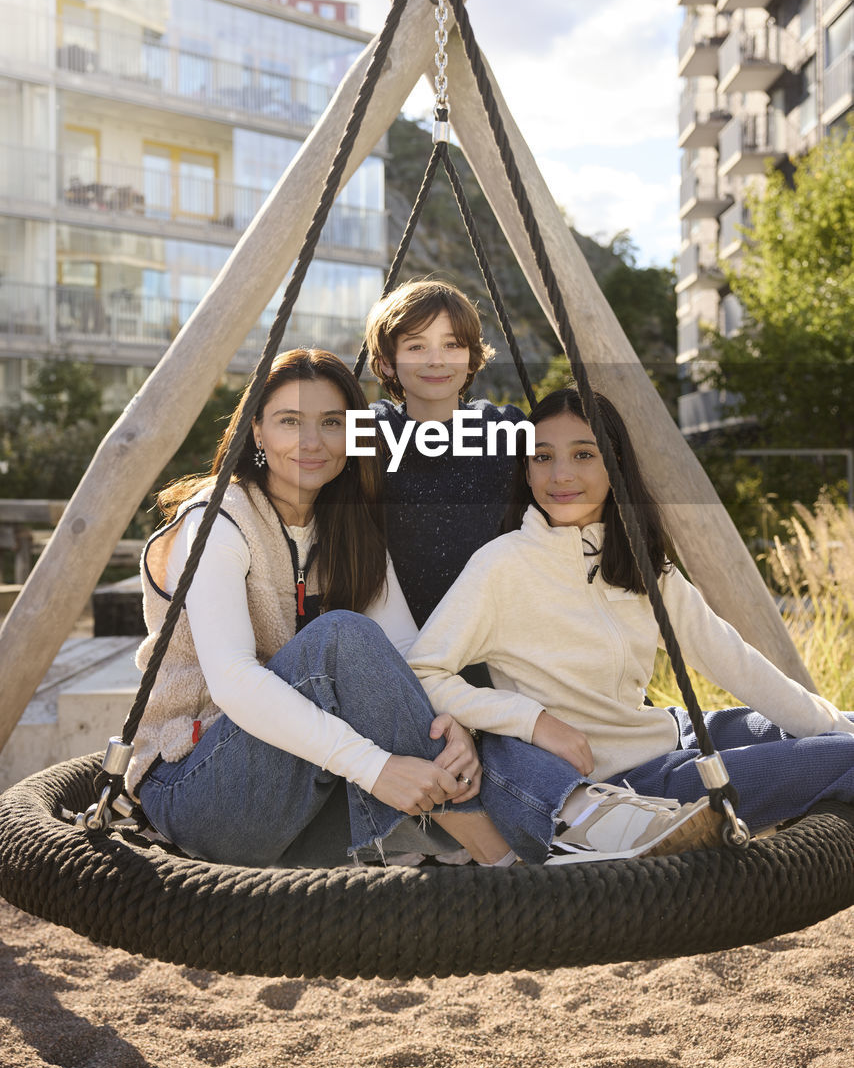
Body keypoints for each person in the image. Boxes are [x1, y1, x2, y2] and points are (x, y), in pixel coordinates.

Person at [125, 351, 708, 869]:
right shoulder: (216, 522)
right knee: (341, 639)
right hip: (197, 785)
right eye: (288, 422)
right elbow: (233, 682)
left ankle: (563, 828)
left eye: (332, 424)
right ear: (255, 429)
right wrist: (377, 767)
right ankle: (512, 854)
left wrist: (451, 730)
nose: (311, 442)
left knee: (476, 728)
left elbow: (406, 654)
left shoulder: (347, 525)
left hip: (296, 792)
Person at [406, 387, 854, 862]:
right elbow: (423, 673)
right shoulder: (501, 567)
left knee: (837, 735)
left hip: (671, 736)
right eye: (542, 457)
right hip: (629, 789)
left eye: (583, 454)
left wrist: (829, 725)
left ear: (615, 463)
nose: (560, 474)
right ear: (526, 468)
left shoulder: (639, 563)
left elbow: (732, 660)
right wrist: (533, 721)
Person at [365, 278, 528, 632]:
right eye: (416, 347)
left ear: (472, 359)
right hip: (395, 636)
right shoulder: (372, 432)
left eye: (452, 345)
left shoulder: (505, 429)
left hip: (490, 633)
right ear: (388, 363)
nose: (436, 361)